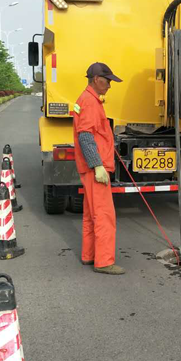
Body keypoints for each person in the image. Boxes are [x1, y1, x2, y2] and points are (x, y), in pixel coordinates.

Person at [74, 62, 124, 275]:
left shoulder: (87, 99)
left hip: (90, 168)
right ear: (96, 80)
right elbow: (85, 136)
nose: (110, 85)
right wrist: (98, 166)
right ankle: (103, 261)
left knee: (91, 213)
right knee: (104, 215)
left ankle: (89, 255)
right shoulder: (90, 102)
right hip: (95, 168)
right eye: (107, 81)